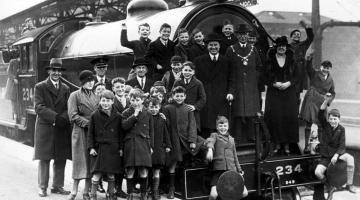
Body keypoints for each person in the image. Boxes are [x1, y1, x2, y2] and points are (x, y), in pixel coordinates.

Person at [33, 58, 71, 197]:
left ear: (61, 72)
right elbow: (39, 107)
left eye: (58, 70)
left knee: (61, 157)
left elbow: (69, 107)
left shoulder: (66, 88)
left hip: (61, 127)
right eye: (53, 70)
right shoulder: (40, 86)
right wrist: (56, 117)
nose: (56, 73)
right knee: (45, 158)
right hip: (46, 127)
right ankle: (42, 187)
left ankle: (57, 186)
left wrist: (63, 118)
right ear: (49, 71)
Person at [163, 86, 203, 199]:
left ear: (185, 96)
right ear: (173, 96)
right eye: (177, 96)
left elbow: (192, 125)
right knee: (173, 163)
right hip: (174, 140)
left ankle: (190, 186)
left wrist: (192, 140)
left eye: (181, 96)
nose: (179, 98)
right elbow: (166, 127)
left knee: (200, 148)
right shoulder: (168, 108)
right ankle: (171, 188)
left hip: (186, 140)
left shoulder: (188, 109)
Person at [225, 24, 263, 144]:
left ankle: (251, 137)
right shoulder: (231, 49)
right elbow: (227, 69)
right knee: (238, 113)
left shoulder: (253, 49)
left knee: (251, 113)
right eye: (240, 34)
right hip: (237, 86)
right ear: (237, 35)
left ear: (248, 35)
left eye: (245, 34)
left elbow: (259, 67)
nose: (243, 37)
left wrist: (253, 80)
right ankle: (238, 138)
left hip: (251, 87)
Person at [313, 98, 357, 200]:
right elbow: (320, 114)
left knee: (350, 159)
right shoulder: (325, 126)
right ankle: (330, 186)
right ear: (328, 119)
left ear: (339, 119)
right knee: (318, 172)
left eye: (335, 119)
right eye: (331, 119)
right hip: (327, 156)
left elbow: (342, 145)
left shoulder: (342, 129)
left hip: (338, 154)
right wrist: (326, 101)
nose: (333, 121)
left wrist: (337, 155)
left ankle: (349, 184)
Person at [67, 70, 98, 200]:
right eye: (88, 81)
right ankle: (73, 191)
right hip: (80, 131)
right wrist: (89, 124)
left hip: (92, 132)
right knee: (79, 161)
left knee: (90, 161)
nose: (91, 83)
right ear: (82, 82)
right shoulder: (75, 95)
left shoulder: (96, 96)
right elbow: (72, 115)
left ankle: (86, 191)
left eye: (92, 81)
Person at [195, 33, 234, 137]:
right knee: (206, 124)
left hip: (221, 97)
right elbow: (196, 80)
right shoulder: (199, 61)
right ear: (207, 46)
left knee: (220, 123)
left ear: (219, 46)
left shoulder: (226, 61)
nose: (213, 47)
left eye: (215, 45)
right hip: (206, 96)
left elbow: (231, 79)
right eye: (211, 45)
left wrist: (230, 92)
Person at [264, 36, 298, 155]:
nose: (281, 48)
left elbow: (297, 76)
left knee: (288, 118)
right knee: (276, 118)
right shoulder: (270, 59)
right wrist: (274, 83)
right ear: (276, 47)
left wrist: (288, 83)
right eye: (279, 46)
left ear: (286, 47)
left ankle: (287, 145)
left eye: (283, 46)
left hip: (289, 93)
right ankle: (277, 145)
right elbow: (265, 76)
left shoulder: (291, 59)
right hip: (275, 93)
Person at [87, 90, 124, 200]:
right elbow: (90, 133)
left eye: (108, 101)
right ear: (100, 101)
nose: (105, 103)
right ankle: (93, 195)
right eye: (103, 100)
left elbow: (120, 134)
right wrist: (91, 147)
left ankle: (110, 194)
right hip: (99, 148)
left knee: (111, 174)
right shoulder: (94, 115)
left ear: (112, 101)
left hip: (113, 148)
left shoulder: (118, 116)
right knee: (96, 173)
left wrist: (121, 148)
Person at [122, 88, 154, 200]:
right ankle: (130, 193)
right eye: (133, 100)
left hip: (144, 144)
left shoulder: (148, 113)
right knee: (130, 170)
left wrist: (151, 146)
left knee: (143, 170)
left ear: (142, 100)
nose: (135, 102)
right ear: (129, 100)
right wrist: (134, 115)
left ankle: (143, 194)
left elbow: (151, 131)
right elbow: (124, 126)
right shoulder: (126, 112)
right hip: (130, 144)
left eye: (138, 100)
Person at [205, 116, 248, 200]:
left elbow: (235, 157)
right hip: (219, 172)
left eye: (225, 126)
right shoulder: (214, 135)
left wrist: (239, 171)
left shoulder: (232, 140)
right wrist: (210, 149)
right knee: (213, 195)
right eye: (220, 126)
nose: (223, 128)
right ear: (217, 127)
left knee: (244, 193)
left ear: (228, 127)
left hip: (232, 171)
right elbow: (210, 141)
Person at [300, 60, 335, 153]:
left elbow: (333, 92)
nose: (326, 70)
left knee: (321, 124)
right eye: (324, 67)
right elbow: (308, 68)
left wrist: (328, 101)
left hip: (322, 102)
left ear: (330, 69)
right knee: (308, 123)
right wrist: (310, 58)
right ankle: (306, 146)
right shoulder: (314, 73)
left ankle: (320, 146)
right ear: (321, 67)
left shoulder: (331, 80)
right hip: (312, 99)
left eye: (328, 68)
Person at [147, 97, 172, 200]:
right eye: (151, 107)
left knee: (157, 170)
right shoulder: (146, 117)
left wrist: (168, 145)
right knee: (147, 170)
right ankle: (147, 189)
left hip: (159, 148)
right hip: (147, 147)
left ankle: (155, 191)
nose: (154, 109)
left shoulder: (162, 118)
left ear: (159, 107)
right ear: (148, 107)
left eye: (156, 107)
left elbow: (166, 132)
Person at [173, 61, 206, 134]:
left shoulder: (198, 83)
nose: (187, 72)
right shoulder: (177, 82)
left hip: (192, 112)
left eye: (190, 70)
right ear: (182, 71)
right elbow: (172, 95)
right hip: (179, 111)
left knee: (192, 131)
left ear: (193, 72)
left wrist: (195, 107)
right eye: (185, 70)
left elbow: (202, 99)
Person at [289, 20, 314, 105]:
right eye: (295, 34)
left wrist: (306, 27)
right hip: (290, 71)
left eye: (298, 35)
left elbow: (311, 38)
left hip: (300, 71)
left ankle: (295, 112)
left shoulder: (303, 45)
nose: (297, 36)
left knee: (297, 93)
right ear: (291, 37)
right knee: (289, 91)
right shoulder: (287, 47)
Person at [111, 77, 128, 198]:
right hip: (115, 136)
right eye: (117, 87)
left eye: (122, 87)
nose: (120, 89)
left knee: (123, 163)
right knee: (115, 163)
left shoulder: (128, 100)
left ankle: (120, 188)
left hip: (127, 135)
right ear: (113, 89)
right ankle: (114, 189)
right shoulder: (111, 101)